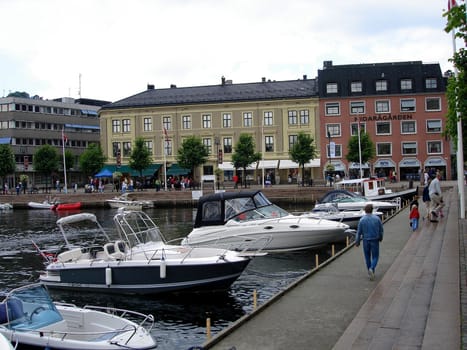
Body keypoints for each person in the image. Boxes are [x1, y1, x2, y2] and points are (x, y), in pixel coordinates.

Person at [355, 203, 384, 281]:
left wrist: (357, 241)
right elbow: (381, 230)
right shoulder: (377, 219)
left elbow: (359, 232)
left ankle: (370, 272)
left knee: (367, 256)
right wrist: (381, 237)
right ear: (372, 210)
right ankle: (372, 268)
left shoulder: (362, 220)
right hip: (375, 239)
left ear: (365, 211)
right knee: (375, 256)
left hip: (365, 240)